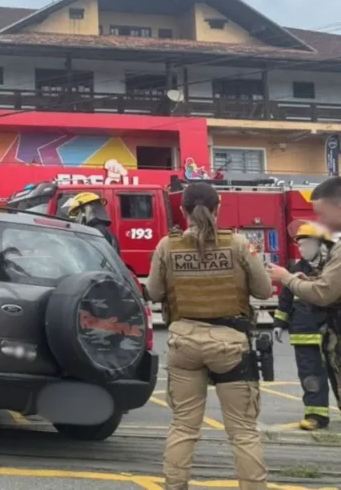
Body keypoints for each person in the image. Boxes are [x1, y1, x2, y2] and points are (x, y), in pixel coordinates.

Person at [146, 181, 273, 490]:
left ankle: (175, 485)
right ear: (220, 207)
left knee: (183, 426)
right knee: (243, 431)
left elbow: (153, 291)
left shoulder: (167, 245)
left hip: (184, 342)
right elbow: (264, 290)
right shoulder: (242, 244)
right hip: (231, 343)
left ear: (182, 210)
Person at [267, 177, 341, 419]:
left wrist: (287, 279)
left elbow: (324, 292)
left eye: (322, 213)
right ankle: (316, 415)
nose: (320, 221)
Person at [272, 222, 337, 429]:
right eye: (300, 246)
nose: (302, 249)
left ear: (321, 245)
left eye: (307, 244)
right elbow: (285, 300)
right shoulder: (295, 270)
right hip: (304, 333)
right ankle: (316, 416)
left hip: (333, 331)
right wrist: (278, 323)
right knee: (310, 376)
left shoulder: (333, 269)